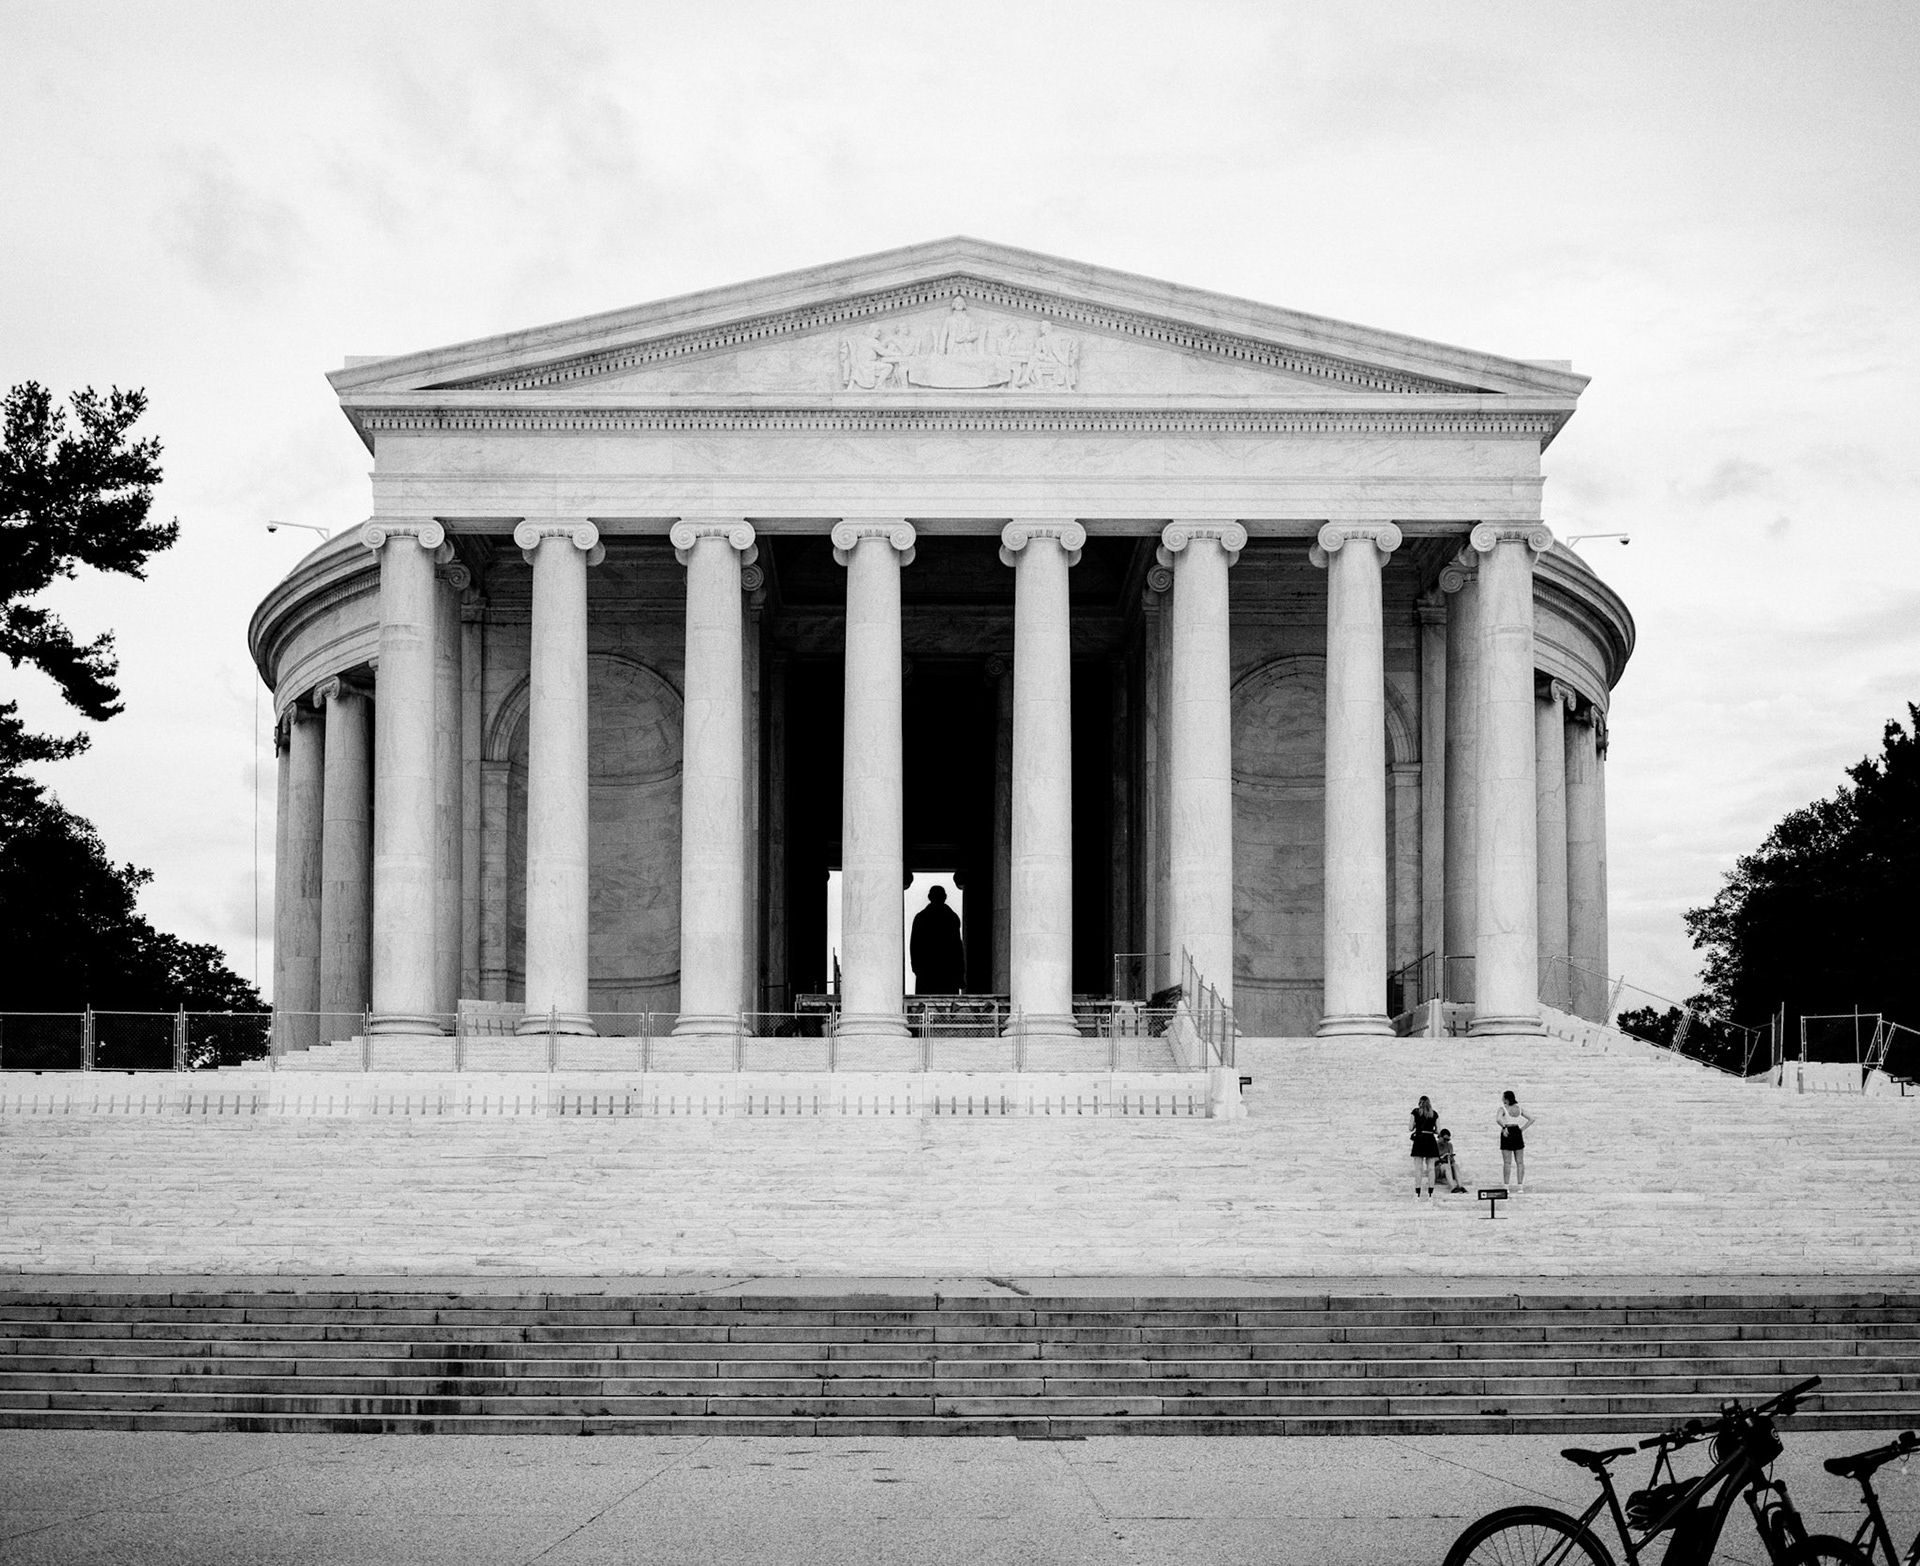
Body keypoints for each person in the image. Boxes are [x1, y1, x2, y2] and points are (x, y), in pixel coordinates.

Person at [908, 885, 965, 995]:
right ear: (945, 897)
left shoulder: (921, 917)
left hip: (927, 973)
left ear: (929, 897)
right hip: (948, 973)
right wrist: (960, 975)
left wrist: (917, 969)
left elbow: (914, 947)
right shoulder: (951, 917)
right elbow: (957, 949)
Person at [1497, 1090, 1534, 1191]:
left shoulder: (1503, 1109)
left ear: (1506, 1099)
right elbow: (1531, 1118)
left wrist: (1504, 1127)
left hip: (1507, 1130)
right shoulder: (1519, 1109)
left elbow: (1498, 1119)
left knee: (1507, 1162)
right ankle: (1520, 1186)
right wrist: (1522, 1129)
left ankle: (1506, 1186)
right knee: (1520, 1162)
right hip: (1517, 1131)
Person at [1408, 1095, 1440, 1200]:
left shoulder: (1415, 1112)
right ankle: (1431, 1192)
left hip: (1419, 1140)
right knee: (1431, 1168)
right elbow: (1438, 1131)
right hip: (1430, 1140)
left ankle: (1417, 1192)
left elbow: (1410, 1128)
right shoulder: (1434, 1114)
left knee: (1418, 1168)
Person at [1434, 1128, 1466, 1193]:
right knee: (1446, 1166)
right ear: (1440, 1137)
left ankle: (1460, 1186)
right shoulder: (1434, 1145)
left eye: (1448, 1140)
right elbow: (1431, 1161)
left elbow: (1451, 1159)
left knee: (1455, 1165)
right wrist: (1443, 1156)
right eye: (1445, 1139)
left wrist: (1451, 1158)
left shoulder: (1449, 1145)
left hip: (1447, 1165)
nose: (1446, 1141)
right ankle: (1452, 1188)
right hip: (1437, 1168)